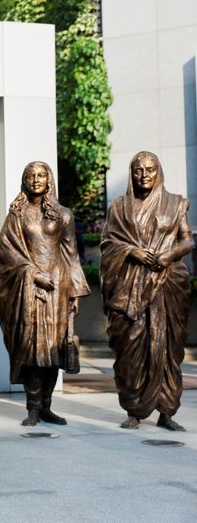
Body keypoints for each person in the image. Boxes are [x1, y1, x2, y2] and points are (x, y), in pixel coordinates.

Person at [100, 151, 194, 431]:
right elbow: (107, 243)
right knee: (130, 348)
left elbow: (187, 241)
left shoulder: (175, 203)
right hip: (129, 288)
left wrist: (168, 256)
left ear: (159, 172)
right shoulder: (119, 206)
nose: (144, 176)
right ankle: (134, 409)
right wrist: (131, 251)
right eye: (138, 170)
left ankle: (167, 411)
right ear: (131, 173)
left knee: (166, 349)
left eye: (150, 170)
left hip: (168, 285)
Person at [0, 161, 90, 426]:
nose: (36, 180)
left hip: (59, 287)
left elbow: (71, 256)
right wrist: (32, 274)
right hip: (30, 290)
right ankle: (33, 408)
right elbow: (4, 253)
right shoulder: (17, 215)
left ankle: (47, 406)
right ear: (24, 181)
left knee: (54, 350)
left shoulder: (63, 215)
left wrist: (76, 294)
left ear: (49, 180)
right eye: (31, 175)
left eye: (41, 175)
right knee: (33, 349)